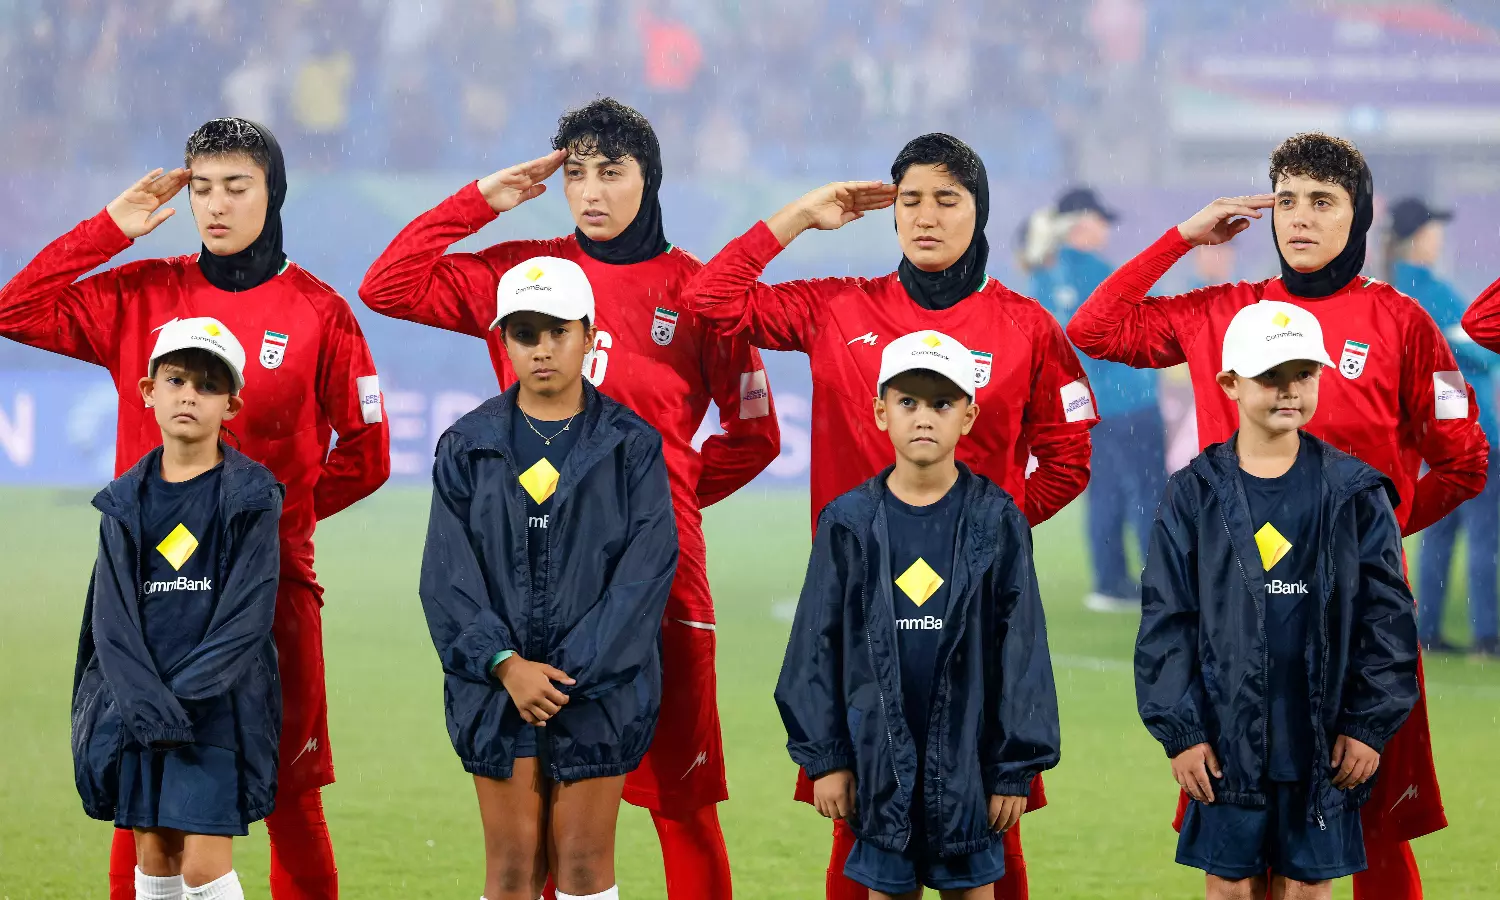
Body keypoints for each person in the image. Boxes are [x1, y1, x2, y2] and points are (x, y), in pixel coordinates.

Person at [359, 98, 777, 899]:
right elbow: (388, 284)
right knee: (546, 814)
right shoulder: (519, 276)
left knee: (682, 806)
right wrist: (479, 202)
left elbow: (755, 434)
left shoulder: (697, 290)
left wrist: (658, 502)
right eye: (576, 173)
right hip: (532, 581)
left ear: (649, 180)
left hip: (663, 581)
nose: (590, 191)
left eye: (611, 172)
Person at [1067, 131, 1485, 900]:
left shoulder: (1402, 324)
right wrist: (1181, 238)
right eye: (1286, 200)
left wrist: (1372, 545)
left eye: (1322, 202)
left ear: (1357, 216)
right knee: (1246, 852)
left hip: (1361, 628)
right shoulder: (1223, 313)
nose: (1299, 218)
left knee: (1377, 833)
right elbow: (1093, 332)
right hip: (1237, 630)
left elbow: (1464, 461)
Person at [688, 133, 1096, 900]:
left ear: (980, 212)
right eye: (910, 200)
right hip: (858, 613)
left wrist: (981, 542)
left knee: (993, 833)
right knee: (860, 829)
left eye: (947, 199)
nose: (925, 216)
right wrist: (799, 218)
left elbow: (1070, 461)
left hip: (976, 622)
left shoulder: (1027, 327)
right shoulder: (838, 308)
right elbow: (708, 302)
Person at [0, 117, 390, 900]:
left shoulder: (320, 312)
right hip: (144, 593)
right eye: (202, 187)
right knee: (138, 792)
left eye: (236, 187)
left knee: (287, 794)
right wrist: (107, 230)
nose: (215, 205)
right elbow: (15, 308)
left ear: (272, 192)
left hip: (269, 590)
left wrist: (270, 526)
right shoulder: (139, 293)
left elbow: (368, 454)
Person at [1137, 300, 1420, 900]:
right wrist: (1182, 731)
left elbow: (1388, 621)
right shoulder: (1194, 493)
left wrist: (1368, 726)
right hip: (1224, 741)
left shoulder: (1354, 492)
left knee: (1307, 891)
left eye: (1303, 374)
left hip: (1323, 742)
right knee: (1231, 890)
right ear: (1229, 384)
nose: (1289, 390)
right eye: (1270, 376)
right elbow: (1167, 619)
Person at [418, 256, 678, 900]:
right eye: (525, 333)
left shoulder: (631, 444)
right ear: (502, 340)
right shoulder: (467, 443)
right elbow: (446, 577)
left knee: (585, 868)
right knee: (512, 872)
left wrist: (564, 678)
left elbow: (644, 575)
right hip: (495, 689)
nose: (543, 349)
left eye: (558, 331)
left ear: (590, 334)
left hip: (597, 692)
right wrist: (507, 665)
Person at [777, 330, 1060, 900]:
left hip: (971, 772)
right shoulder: (848, 521)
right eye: (908, 402)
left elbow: (1022, 649)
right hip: (877, 769)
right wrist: (826, 759)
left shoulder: (997, 518)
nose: (924, 417)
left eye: (942, 403)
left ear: (969, 416)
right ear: (881, 413)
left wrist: (1013, 769)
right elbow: (815, 647)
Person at [75, 319, 283, 900]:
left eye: (208, 384)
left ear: (232, 404)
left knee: (203, 866)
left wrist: (179, 702)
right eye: (176, 379)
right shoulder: (123, 502)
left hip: (216, 709)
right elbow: (111, 624)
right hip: (141, 708)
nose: (189, 394)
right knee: (156, 856)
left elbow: (245, 620)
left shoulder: (252, 495)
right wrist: (146, 704)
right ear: (149, 391)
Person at [1030, 187, 1164, 613]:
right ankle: (1160, 583)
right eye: (1099, 219)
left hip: (1086, 407)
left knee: (1104, 493)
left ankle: (1110, 583)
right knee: (1149, 493)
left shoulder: (1044, 274)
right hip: (1130, 401)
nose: (1106, 227)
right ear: (1080, 222)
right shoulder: (1100, 272)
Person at [1384, 198, 1500, 658]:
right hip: (1468, 426)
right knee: (1484, 530)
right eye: (1434, 230)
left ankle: (1427, 625)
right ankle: (1487, 631)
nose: (1441, 239)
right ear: (1420, 237)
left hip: (1428, 429)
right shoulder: (1432, 290)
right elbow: (1478, 353)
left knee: (1441, 530)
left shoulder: (1390, 290)